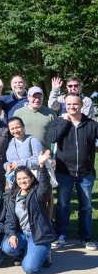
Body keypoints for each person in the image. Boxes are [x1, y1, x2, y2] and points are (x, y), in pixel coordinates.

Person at [0, 151, 57, 274]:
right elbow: (10, 220)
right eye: (19, 179)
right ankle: (26, 252)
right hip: (22, 235)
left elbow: (45, 186)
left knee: (30, 269)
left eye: (25, 178)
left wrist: (42, 166)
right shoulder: (13, 196)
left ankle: (44, 253)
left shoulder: (38, 193)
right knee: (7, 247)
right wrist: (11, 234)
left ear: (32, 179)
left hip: (38, 237)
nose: (22, 181)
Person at [47, 92, 97, 251]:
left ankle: (86, 237)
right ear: (64, 106)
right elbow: (52, 137)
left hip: (86, 173)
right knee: (62, 205)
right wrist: (64, 123)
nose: (72, 107)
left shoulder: (91, 124)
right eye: (68, 105)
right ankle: (61, 235)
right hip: (64, 172)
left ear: (82, 105)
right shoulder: (59, 122)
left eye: (75, 104)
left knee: (86, 207)